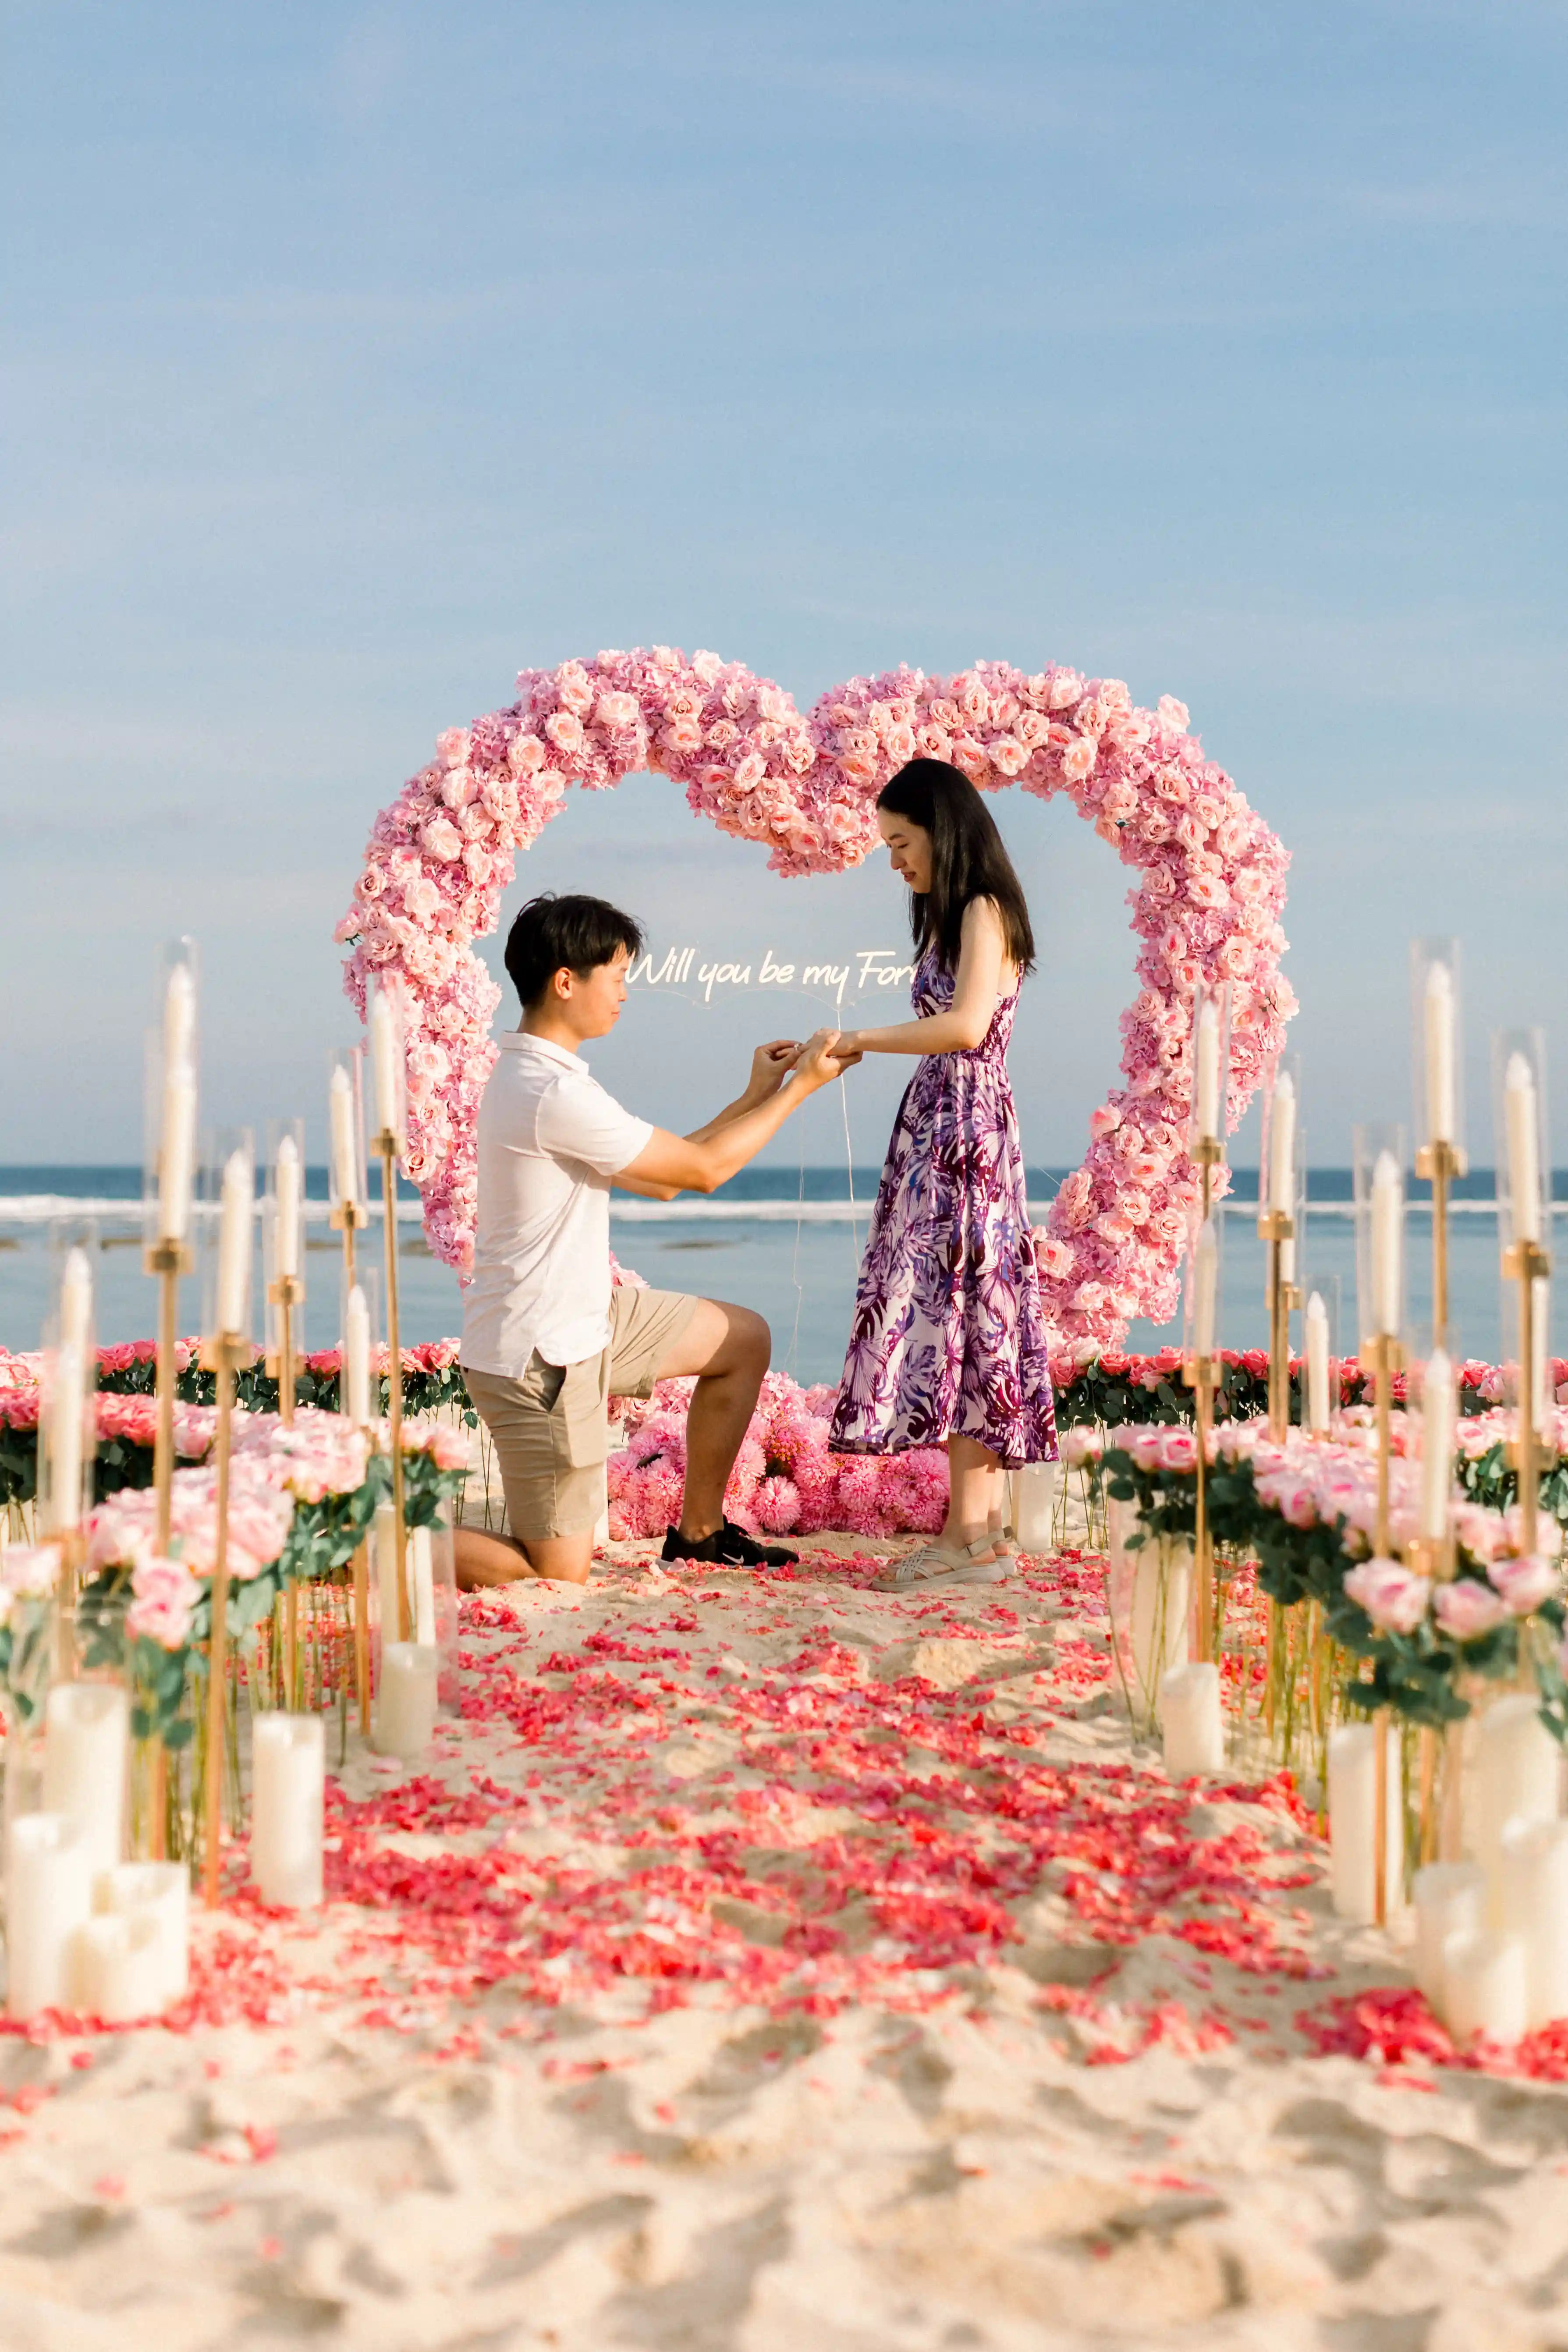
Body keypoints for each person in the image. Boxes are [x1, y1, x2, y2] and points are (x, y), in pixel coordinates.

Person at [454, 891, 853, 1589]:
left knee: (741, 1339)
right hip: (539, 1359)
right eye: (616, 974)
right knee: (556, 1576)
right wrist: (801, 1092)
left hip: (587, 1320)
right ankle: (367, 1537)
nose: (625, 993)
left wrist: (758, 1092)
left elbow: (665, 1170)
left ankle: (698, 1533)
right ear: (565, 981)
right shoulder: (550, 1091)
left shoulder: (549, 1078)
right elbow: (699, 1173)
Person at [828, 758, 1058, 1588]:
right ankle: (983, 1532)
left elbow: (964, 1028)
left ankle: (968, 1533)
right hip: (948, 1122)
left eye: (901, 842)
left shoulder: (982, 912)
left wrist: (859, 1038)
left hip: (963, 1126)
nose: (895, 862)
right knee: (968, 1311)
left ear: (941, 829)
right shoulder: (959, 916)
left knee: (965, 1312)